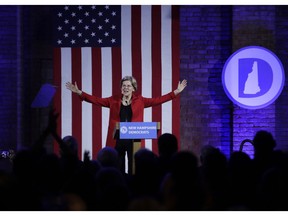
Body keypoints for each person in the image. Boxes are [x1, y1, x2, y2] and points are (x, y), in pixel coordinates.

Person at [65, 76, 187, 175]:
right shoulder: (113, 100)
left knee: (134, 165)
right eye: (123, 85)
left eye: (129, 85)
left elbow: (158, 100)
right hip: (118, 139)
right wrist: (79, 92)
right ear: (121, 88)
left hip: (134, 139)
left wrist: (176, 92)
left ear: (134, 88)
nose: (126, 87)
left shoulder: (140, 100)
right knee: (119, 165)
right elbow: (96, 100)